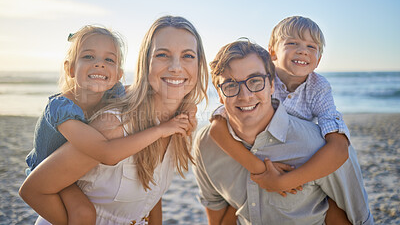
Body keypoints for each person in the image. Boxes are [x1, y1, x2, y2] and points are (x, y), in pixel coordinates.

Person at [19, 16, 208, 225]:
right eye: (163, 54)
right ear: (145, 63)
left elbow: (151, 194)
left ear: (200, 66)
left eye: (188, 56)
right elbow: (33, 189)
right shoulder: (112, 124)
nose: (176, 67)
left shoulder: (178, 123)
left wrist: (188, 108)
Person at [192, 40, 373, 224]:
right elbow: (214, 206)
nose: (245, 95)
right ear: (220, 93)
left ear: (271, 85)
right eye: (231, 85)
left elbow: (359, 218)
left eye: (255, 81)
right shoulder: (206, 144)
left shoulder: (319, 146)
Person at [210, 16, 351, 194]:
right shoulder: (260, 79)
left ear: (319, 59)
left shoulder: (318, 87)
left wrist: (283, 182)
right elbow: (217, 127)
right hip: (258, 151)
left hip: (293, 153)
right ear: (273, 52)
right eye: (292, 43)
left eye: (311, 47)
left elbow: (339, 147)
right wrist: (259, 169)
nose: (303, 51)